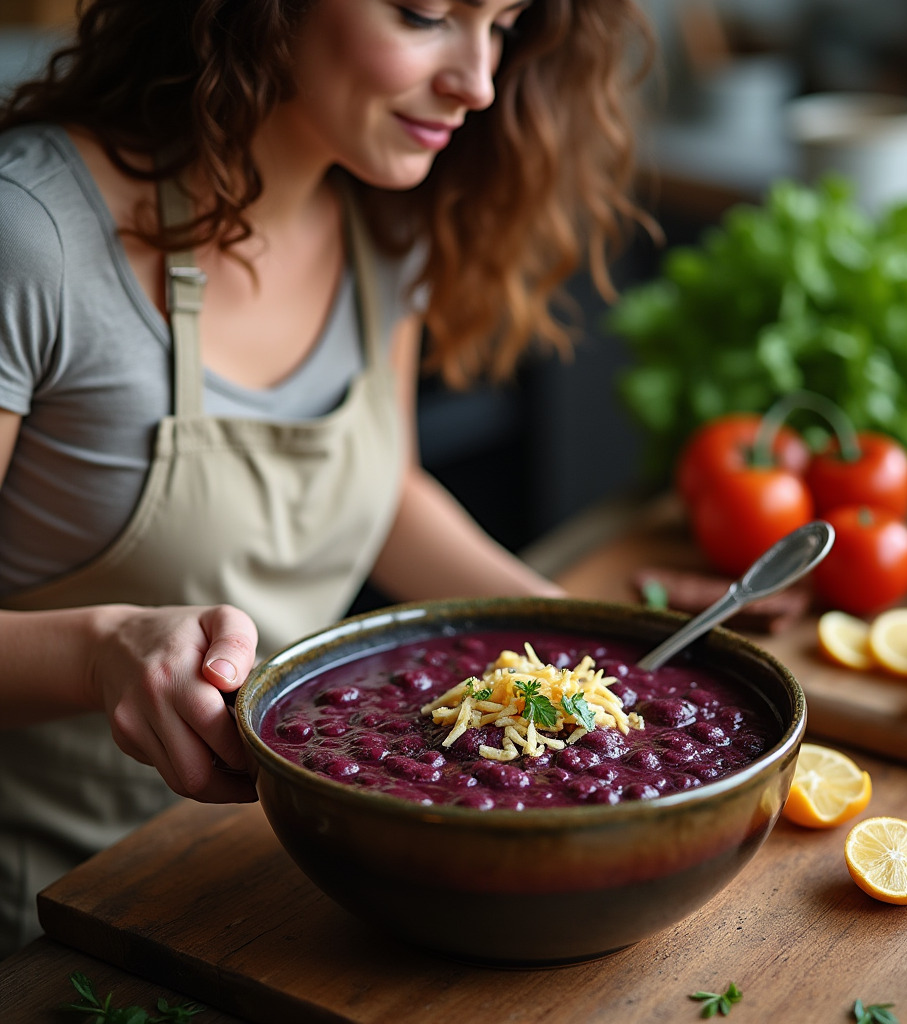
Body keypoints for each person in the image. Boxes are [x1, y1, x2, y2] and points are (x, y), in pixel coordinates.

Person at [0, 0, 652, 957]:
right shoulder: (32, 235)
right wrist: (105, 648)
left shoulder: (386, 219)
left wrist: (593, 654)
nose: (478, 80)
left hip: (296, 888)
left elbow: (382, 492)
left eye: (502, 25)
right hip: (52, 922)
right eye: (427, 13)